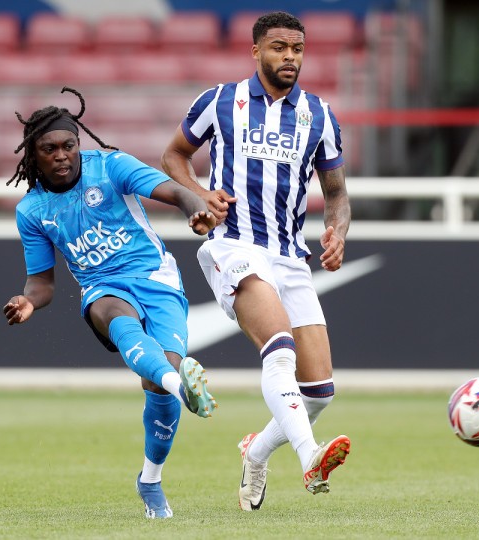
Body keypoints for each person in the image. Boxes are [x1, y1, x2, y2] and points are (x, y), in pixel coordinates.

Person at [161, 11, 351, 511]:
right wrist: (199, 195)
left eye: (297, 49)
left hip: (291, 257)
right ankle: (311, 457)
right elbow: (174, 156)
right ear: (256, 51)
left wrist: (338, 230)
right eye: (279, 48)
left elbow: (336, 192)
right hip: (235, 246)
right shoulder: (220, 101)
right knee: (279, 348)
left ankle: (256, 452)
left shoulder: (319, 114)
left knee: (319, 393)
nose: (290, 57)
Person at [2, 87, 219, 519]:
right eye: (49, 149)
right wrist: (28, 303)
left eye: (69, 145)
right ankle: (184, 385)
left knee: (157, 385)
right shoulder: (32, 210)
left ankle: (151, 479)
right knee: (113, 314)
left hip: (156, 278)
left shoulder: (112, 166)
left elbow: (176, 192)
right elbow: (42, 283)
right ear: (33, 154)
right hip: (101, 286)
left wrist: (197, 210)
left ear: (79, 144)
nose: (62, 155)